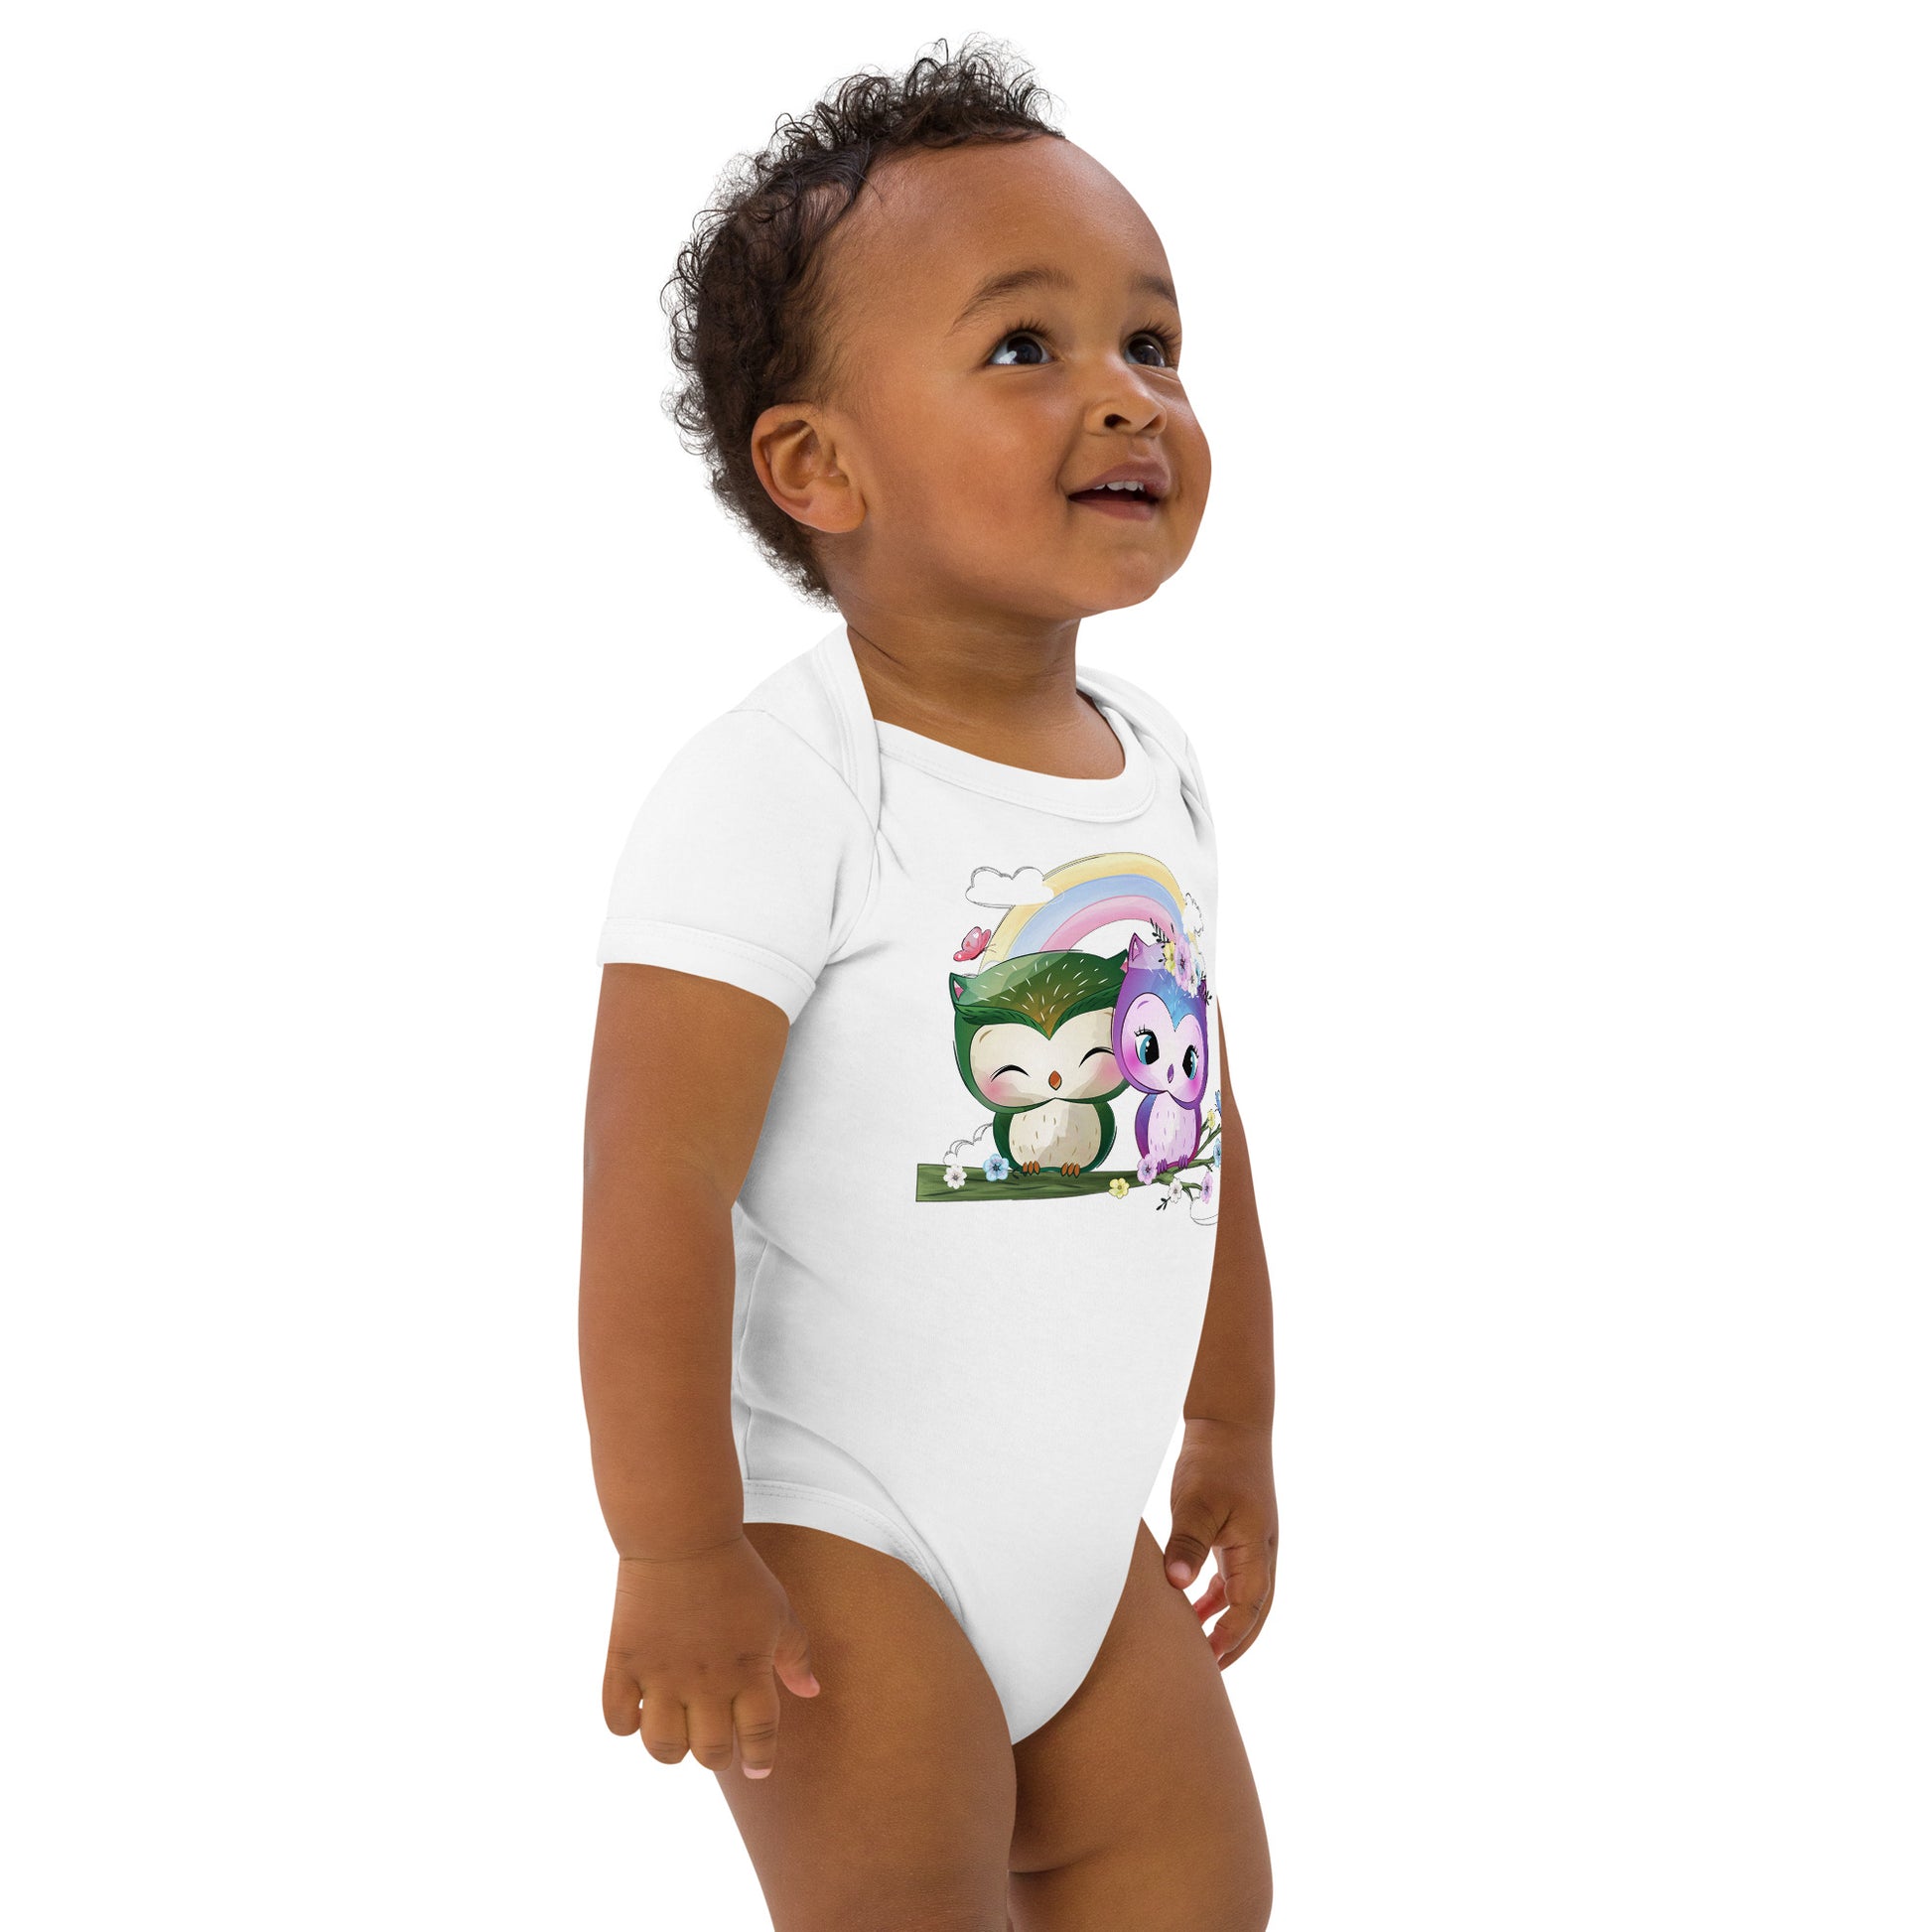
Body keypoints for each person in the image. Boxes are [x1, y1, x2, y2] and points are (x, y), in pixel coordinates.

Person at [580, 37, 1277, 1930]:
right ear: (819, 465)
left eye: (1152, 341)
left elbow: (1192, 1115)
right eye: (1025, 346)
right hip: (843, 1537)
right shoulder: (783, 787)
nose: (1127, 394)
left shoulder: (1155, 764)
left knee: (1204, 1893)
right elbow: (652, 1187)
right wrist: (673, 1543)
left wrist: (1230, 1421)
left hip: (1080, 1544)